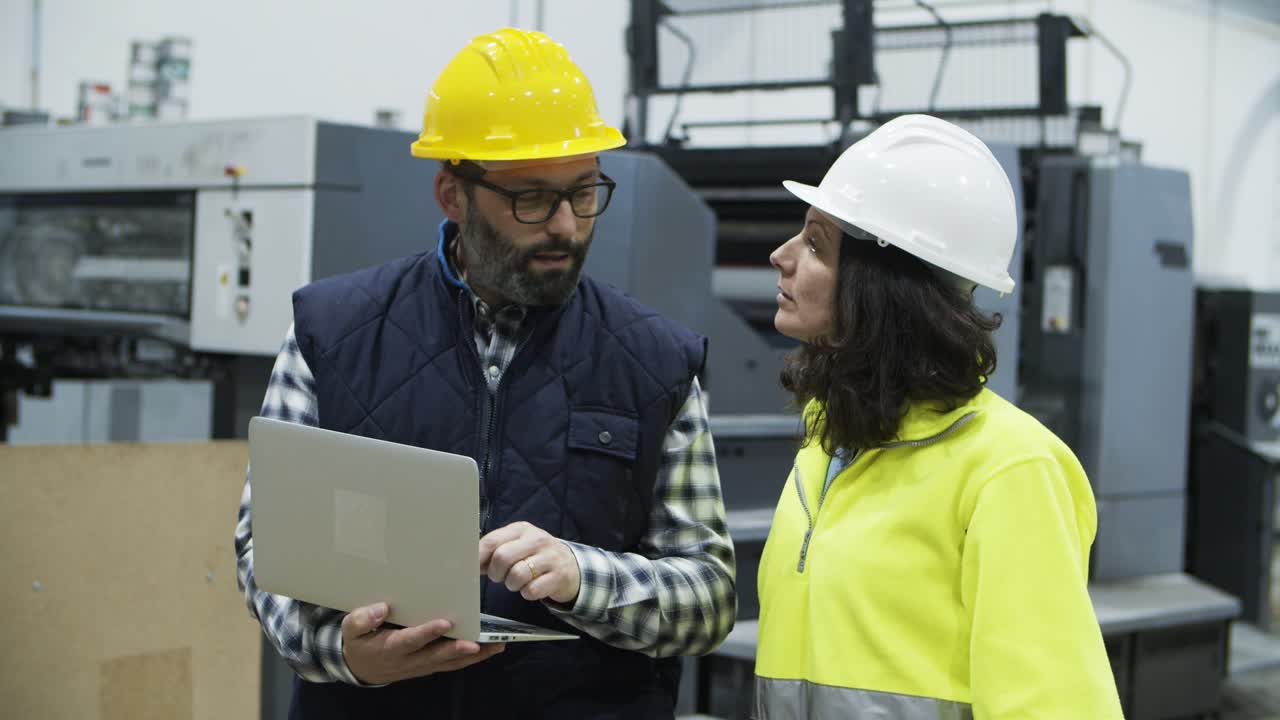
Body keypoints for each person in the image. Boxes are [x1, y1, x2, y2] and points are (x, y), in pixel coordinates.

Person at [233, 27, 736, 719]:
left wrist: (581, 576)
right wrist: (345, 654)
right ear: (452, 194)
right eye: (530, 198)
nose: (565, 225)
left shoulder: (654, 360)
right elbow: (266, 549)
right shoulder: (332, 330)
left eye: (585, 191)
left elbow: (708, 599)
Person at [753, 114, 1124, 718]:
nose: (781, 255)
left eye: (817, 243)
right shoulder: (830, 445)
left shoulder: (1008, 469)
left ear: (881, 285)